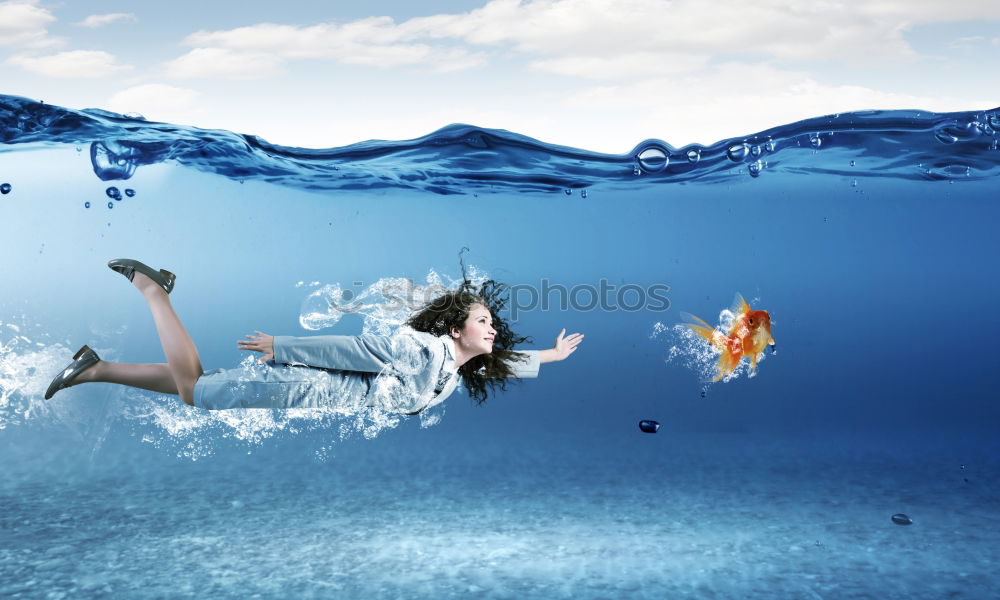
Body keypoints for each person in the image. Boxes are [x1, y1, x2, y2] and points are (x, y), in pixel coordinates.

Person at [44, 259, 584, 414]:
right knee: (197, 394)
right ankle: (154, 291)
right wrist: (283, 347)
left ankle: (94, 368)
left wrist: (551, 357)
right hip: (307, 387)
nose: (492, 329)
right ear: (452, 328)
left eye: (491, 323)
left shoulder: (454, 365)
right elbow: (353, 350)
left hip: (318, 396)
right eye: (483, 320)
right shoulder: (424, 350)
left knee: (202, 384)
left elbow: (497, 361)